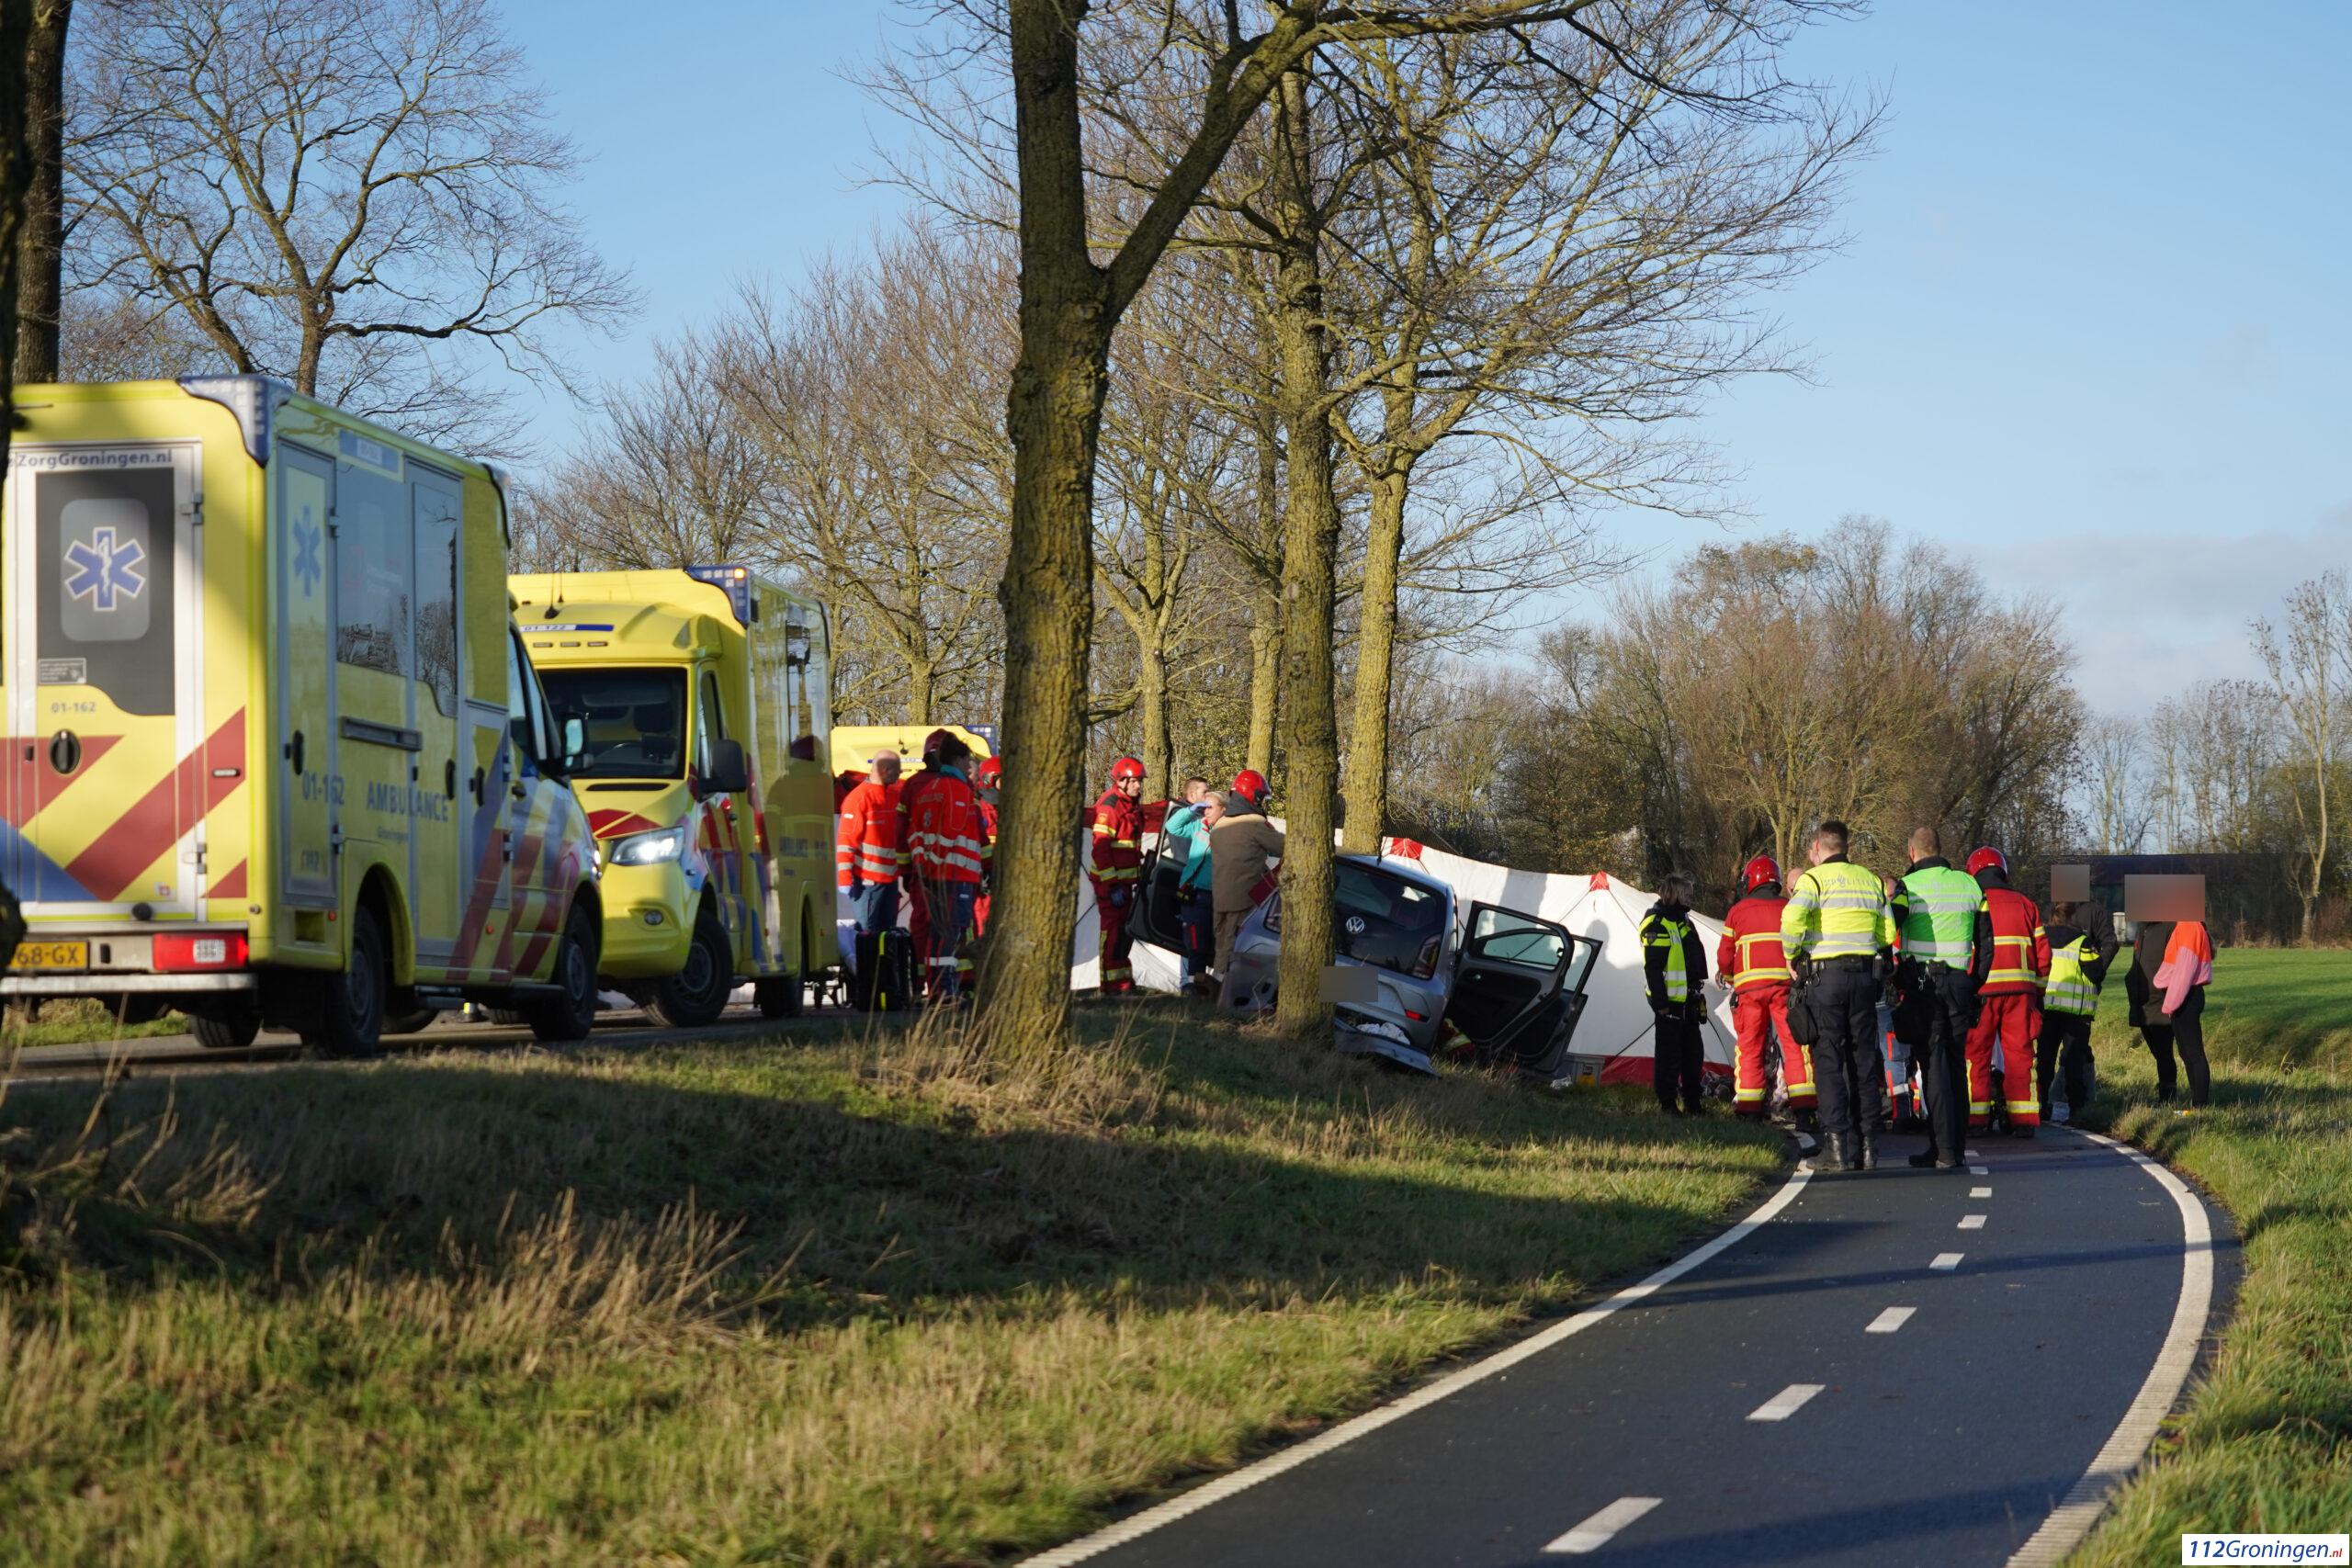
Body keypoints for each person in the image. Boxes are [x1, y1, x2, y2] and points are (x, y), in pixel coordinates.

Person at [1781, 820, 1897, 1173]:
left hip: (1825, 979)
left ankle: (1836, 1149)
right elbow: (1888, 932)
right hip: (1864, 978)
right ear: (1847, 847)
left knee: (1829, 1060)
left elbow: (1792, 919)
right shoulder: (1870, 880)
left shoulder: (1813, 881)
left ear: (1818, 847)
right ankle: (1868, 1148)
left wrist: (1792, 954)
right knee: (1864, 1060)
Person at [1889, 828, 1992, 1171]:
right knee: (1955, 1063)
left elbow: (1889, 930)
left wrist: (1895, 976)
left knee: (1932, 1065)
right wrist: (1973, 982)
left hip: (1924, 986)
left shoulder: (1908, 887)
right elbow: (1987, 944)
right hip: (1960, 985)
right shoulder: (1969, 885)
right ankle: (1955, 1147)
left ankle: (1942, 1149)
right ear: (1939, 848)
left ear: (1912, 852)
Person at [1717, 855, 1814, 1123]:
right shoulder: (1788, 907)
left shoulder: (1737, 911)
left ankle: (1750, 1109)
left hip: (1749, 991)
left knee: (1750, 1047)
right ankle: (1805, 1109)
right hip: (1785, 988)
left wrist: (1731, 978)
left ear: (1752, 880)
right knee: (1795, 1046)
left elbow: (1724, 956)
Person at [1964, 846, 2051, 1138]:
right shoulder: (2026, 904)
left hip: (1982, 991)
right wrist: (2038, 992)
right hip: (2021, 993)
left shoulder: (1973, 902)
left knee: (1976, 1054)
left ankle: (1975, 1119)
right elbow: (2043, 955)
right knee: (2020, 1055)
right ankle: (2024, 1120)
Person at [904, 735, 986, 1002]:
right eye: (968, 761)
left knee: (937, 934)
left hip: (932, 876)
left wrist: (925, 864)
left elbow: (914, 834)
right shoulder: (959, 791)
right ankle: (945, 992)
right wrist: (939, 861)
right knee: (950, 935)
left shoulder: (928, 789)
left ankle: (940, 990)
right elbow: (952, 829)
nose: (970, 766)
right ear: (958, 759)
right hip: (955, 876)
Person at [2037, 900, 2117, 1123]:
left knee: (2044, 1061)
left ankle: (2041, 1105)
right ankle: (2076, 1109)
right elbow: (2096, 972)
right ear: (2072, 917)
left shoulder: (2042, 939)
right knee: (2074, 1062)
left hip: (2047, 1008)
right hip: (2075, 1013)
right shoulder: (2081, 942)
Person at [2127, 916, 2214, 1111]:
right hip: (2183, 996)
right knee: (2186, 1053)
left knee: (2194, 1053)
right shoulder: (2184, 925)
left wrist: (2169, 1004)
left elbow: (2184, 971)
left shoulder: (2189, 926)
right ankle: (2196, 1105)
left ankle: (2200, 1107)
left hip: (2185, 996)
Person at [1641, 874, 1711, 1115]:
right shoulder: (1657, 923)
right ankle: (1668, 1103)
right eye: (1687, 894)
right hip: (1669, 1003)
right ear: (1675, 894)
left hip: (1689, 999)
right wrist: (1660, 1003)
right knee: (1668, 1056)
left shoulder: (1684, 921)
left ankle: (1693, 1102)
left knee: (1693, 1054)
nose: (1691, 897)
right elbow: (1652, 968)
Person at [1211, 769, 1284, 993]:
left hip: (1220, 898)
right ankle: (1225, 996)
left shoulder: (1220, 824)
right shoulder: (1254, 823)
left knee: (1221, 946)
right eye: (1261, 797)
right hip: (1245, 899)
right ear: (1253, 796)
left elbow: (1241, 857)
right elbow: (1286, 846)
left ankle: (1214, 989)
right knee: (1236, 949)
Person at [896, 729, 957, 995]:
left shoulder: (915, 785)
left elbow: (902, 831)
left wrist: (906, 869)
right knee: (932, 926)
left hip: (936, 870)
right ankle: (932, 984)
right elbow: (902, 831)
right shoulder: (919, 785)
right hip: (938, 871)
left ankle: (937, 984)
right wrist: (906, 870)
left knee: (935, 926)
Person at [1089, 756, 1148, 995]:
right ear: (1121, 781)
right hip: (1110, 884)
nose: (1138, 786)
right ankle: (1109, 986)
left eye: (1140, 781)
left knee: (1124, 934)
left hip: (1124, 883)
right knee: (1112, 934)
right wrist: (1111, 884)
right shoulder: (1110, 806)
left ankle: (1123, 982)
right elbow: (1100, 848)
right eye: (1134, 781)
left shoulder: (1131, 806)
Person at [836, 751, 904, 936]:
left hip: (889, 882)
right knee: (867, 936)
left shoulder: (893, 796)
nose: (900, 774)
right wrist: (845, 878)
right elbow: (846, 842)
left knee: (887, 936)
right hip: (867, 883)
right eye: (898, 770)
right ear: (885, 770)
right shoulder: (858, 798)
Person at [1160, 785, 1219, 989]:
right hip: (1193, 893)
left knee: (1213, 943)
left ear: (1223, 810)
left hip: (1216, 895)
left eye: (1210, 807)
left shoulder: (1228, 832)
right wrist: (1189, 811)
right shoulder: (1198, 826)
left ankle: (1209, 987)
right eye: (1205, 806)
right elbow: (1172, 827)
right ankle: (1190, 986)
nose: (1206, 810)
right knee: (1194, 942)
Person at [971, 755, 1002, 942]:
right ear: (989, 779)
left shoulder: (1007, 807)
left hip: (1004, 878)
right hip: (984, 880)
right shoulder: (980, 808)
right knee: (984, 923)